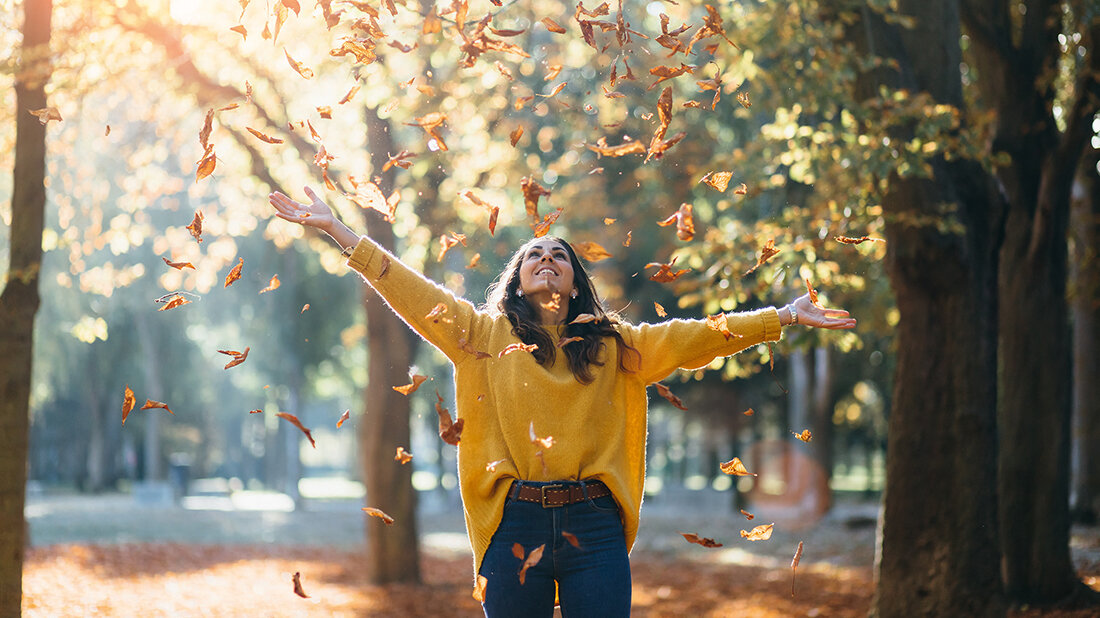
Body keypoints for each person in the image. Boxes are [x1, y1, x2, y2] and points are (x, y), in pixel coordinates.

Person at [268, 186, 857, 617]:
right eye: (533, 255)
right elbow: (407, 288)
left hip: (595, 525)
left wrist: (779, 316)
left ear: (575, 281)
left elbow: (695, 336)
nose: (546, 259)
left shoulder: (616, 345)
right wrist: (336, 230)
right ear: (516, 278)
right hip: (512, 521)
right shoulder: (478, 336)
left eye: (559, 256)